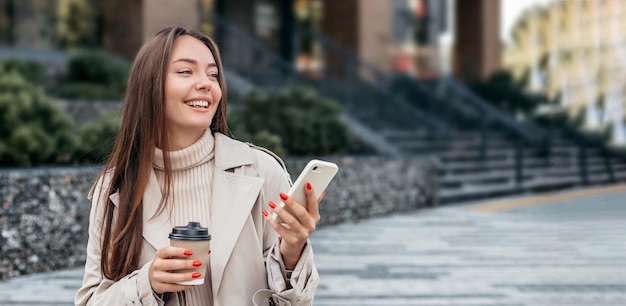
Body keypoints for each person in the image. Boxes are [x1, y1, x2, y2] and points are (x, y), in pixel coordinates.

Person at [75, 26, 322, 306]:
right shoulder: (115, 187)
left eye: (213, 75)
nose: (206, 83)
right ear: (150, 85)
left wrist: (292, 251)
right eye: (185, 71)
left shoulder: (262, 172)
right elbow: (92, 300)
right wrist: (149, 284)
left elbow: (296, 302)